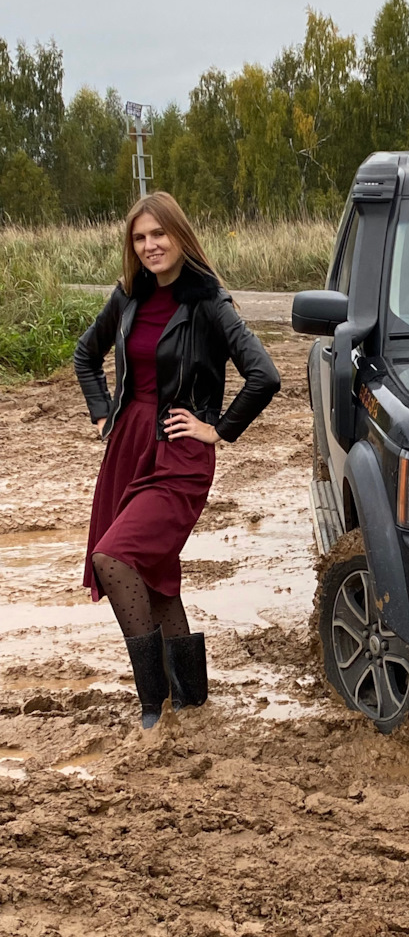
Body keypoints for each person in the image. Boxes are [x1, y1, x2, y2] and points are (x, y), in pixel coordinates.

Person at [74, 192, 281, 729]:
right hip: (128, 447)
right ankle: (191, 700)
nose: (149, 247)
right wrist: (103, 414)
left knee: (113, 558)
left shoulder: (209, 300)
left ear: (179, 235)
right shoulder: (127, 296)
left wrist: (218, 429)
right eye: (139, 238)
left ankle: (151, 704)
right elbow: (85, 355)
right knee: (158, 576)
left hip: (180, 453)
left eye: (158, 235)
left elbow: (265, 375)